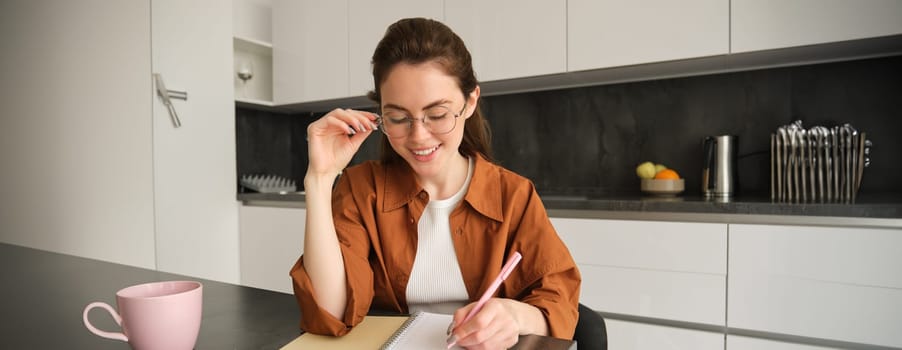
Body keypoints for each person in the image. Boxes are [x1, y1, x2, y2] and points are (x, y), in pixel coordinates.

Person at [290, 17, 581, 349]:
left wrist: (514, 317)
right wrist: (319, 179)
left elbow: (559, 304)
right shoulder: (361, 189)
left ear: (470, 102)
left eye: (438, 114)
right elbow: (329, 312)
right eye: (398, 118)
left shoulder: (514, 195)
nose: (418, 136)